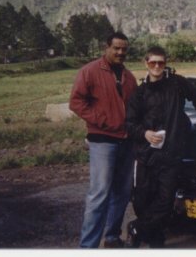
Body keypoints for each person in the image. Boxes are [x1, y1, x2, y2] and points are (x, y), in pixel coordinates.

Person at [124, 46, 196, 248]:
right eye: (153, 62)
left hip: (171, 153)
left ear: (165, 63)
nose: (157, 66)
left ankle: (137, 228)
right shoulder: (139, 93)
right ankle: (156, 240)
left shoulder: (177, 84)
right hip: (145, 155)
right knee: (142, 200)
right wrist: (145, 133)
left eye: (161, 62)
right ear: (145, 63)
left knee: (166, 202)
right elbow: (130, 124)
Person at [69, 32, 138, 248]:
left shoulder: (129, 77)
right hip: (103, 140)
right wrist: (101, 120)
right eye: (116, 48)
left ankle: (111, 238)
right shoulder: (89, 71)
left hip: (126, 141)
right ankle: (88, 246)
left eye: (124, 49)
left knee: (123, 193)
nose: (120, 53)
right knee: (99, 193)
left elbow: (136, 108)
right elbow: (76, 102)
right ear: (106, 48)